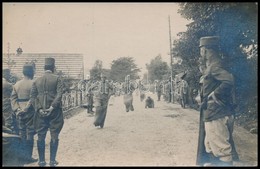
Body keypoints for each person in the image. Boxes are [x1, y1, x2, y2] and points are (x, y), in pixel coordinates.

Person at [197, 36, 238, 166]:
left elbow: (229, 80)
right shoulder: (214, 66)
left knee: (221, 150)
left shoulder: (214, 67)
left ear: (206, 50)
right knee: (210, 146)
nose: (200, 53)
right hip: (213, 113)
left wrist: (214, 94)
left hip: (216, 114)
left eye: (201, 49)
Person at [30, 58, 64, 167]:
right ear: (53, 68)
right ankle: (52, 161)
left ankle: (41, 161)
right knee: (54, 134)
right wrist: (52, 107)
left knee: (41, 135)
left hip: (40, 112)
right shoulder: (57, 78)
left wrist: (39, 108)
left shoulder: (36, 80)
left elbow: (33, 97)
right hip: (54, 112)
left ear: (44, 68)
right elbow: (59, 94)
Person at [10, 63, 38, 164]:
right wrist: (26, 108)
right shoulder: (33, 84)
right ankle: (28, 157)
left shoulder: (16, 84)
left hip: (19, 112)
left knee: (22, 133)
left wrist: (17, 109)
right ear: (31, 73)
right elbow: (34, 98)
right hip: (30, 111)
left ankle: (22, 157)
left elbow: (12, 99)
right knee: (30, 132)